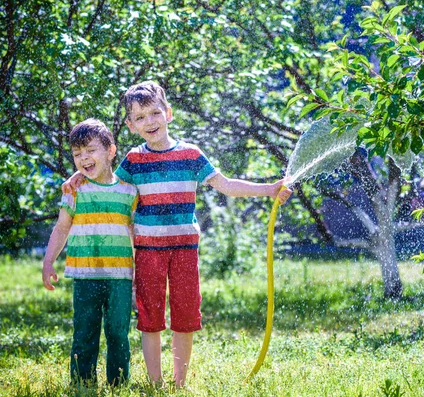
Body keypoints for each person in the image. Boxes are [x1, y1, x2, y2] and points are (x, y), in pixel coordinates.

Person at [64, 81, 292, 388]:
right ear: (131, 125)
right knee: (150, 316)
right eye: (140, 117)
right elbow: (107, 181)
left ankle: (180, 382)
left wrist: (268, 189)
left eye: (155, 113)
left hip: (185, 248)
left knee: (185, 314)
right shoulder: (133, 160)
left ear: (168, 113)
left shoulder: (191, 155)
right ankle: (156, 383)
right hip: (147, 250)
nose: (150, 121)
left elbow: (224, 184)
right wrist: (80, 174)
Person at [42, 119, 138, 388]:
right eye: (77, 154)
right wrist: (49, 261)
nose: (83, 158)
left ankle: (119, 384)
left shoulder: (129, 192)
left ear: (111, 151)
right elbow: (61, 228)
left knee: (118, 332)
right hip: (84, 275)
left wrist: (137, 275)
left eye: (90, 151)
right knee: (84, 332)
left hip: (120, 277)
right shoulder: (74, 190)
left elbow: (134, 235)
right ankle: (82, 384)